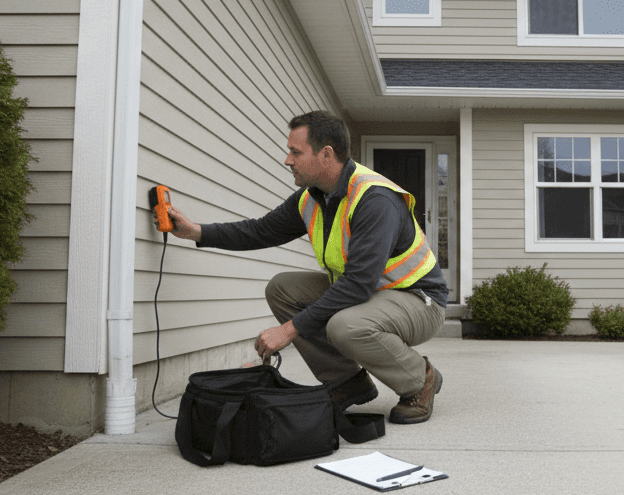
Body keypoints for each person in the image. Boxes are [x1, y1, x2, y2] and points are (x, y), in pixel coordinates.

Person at [165, 111, 449, 424]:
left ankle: (419, 379)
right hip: (373, 294)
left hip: (419, 300)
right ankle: (347, 383)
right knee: (282, 288)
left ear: (326, 155)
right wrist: (197, 232)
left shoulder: (374, 199)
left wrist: (288, 329)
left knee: (346, 325)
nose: (288, 160)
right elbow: (259, 230)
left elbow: (356, 285)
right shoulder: (312, 198)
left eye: (295, 152)